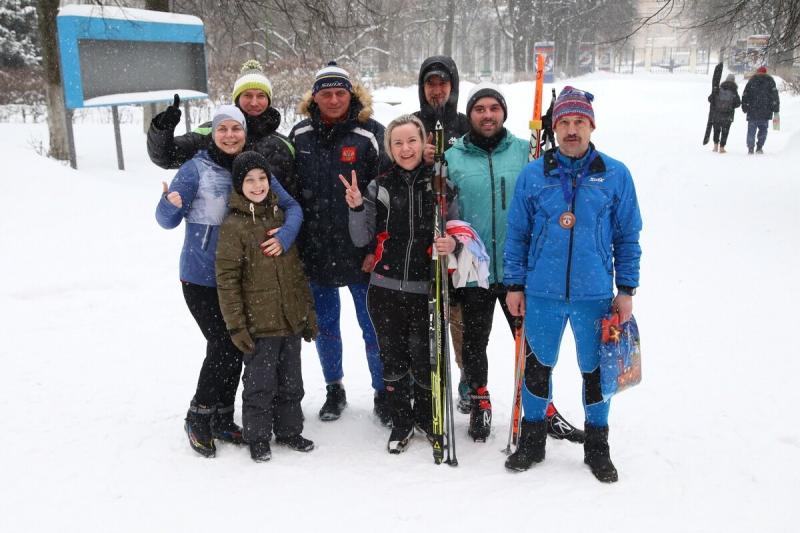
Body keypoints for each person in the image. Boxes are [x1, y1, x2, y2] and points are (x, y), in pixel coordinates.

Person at [503, 87, 642, 482]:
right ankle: (532, 442)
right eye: (563, 122)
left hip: (594, 295)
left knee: (596, 372)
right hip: (542, 293)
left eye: (579, 122)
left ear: (592, 125)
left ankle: (597, 446)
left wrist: (627, 289)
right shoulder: (534, 175)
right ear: (554, 128)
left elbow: (628, 236)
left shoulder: (615, 175)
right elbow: (517, 234)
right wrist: (515, 284)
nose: (571, 130)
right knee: (537, 368)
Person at [445, 82, 585, 443]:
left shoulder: (527, 152)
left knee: (532, 345)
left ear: (503, 113)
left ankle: (543, 408)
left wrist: (550, 147)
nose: (487, 115)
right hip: (473, 268)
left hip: (519, 270)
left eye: (494, 108)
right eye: (480, 109)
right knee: (474, 343)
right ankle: (480, 399)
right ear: (470, 115)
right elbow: (443, 207)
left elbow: (555, 188)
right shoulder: (453, 157)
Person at [156, 105, 291, 457]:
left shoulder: (251, 169)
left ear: (245, 132)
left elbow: (289, 206)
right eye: (223, 129)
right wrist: (168, 204)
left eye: (237, 128)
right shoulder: (195, 168)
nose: (230, 135)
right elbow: (166, 220)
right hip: (200, 277)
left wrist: (285, 233)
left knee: (236, 345)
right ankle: (198, 415)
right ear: (212, 133)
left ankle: (222, 416)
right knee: (223, 344)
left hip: (240, 278)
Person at [342, 114, 458, 453]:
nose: (405, 148)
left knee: (425, 359)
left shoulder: (439, 182)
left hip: (426, 289)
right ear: (389, 148)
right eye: (398, 142)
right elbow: (361, 236)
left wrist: (452, 244)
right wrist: (355, 206)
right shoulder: (379, 185)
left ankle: (424, 416)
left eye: (412, 141)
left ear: (424, 143)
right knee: (392, 359)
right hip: (385, 287)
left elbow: (457, 228)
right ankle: (401, 421)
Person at [290, 61, 390, 424]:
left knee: (373, 326)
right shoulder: (299, 134)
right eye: (325, 93)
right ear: (314, 97)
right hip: (315, 253)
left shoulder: (371, 134)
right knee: (325, 327)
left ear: (352, 94)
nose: (333, 100)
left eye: (340, 93)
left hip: (360, 254)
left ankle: (383, 391)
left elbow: (386, 197)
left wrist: (374, 249)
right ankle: (335, 388)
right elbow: (288, 192)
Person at [215, 151, 315, 462]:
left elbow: (296, 273)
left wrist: (306, 313)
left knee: (291, 381)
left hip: (289, 320)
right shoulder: (233, 225)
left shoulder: (280, 218)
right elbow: (227, 280)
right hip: (259, 324)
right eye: (249, 180)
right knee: (259, 384)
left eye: (262, 178)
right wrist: (236, 325)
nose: (257, 185)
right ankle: (257, 436)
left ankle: (289, 430)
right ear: (238, 184)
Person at [412, 56, 472, 414]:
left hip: (459, 230)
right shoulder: (413, 124)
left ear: (453, 86)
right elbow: (392, 161)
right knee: (427, 317)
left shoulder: (466, 125)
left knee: (460, 316)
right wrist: (420, 155)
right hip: (422, 232)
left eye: (443, 84)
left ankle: (467, 379)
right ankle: (427, 380)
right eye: (430, 84)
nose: (437, 90)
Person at [148, 59, 297, 197]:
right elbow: (166, 157)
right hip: (217, 224)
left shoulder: (282, 144)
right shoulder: (211, 133)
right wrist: (163, 127)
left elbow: (292, 198)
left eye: (261, 96)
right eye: (247, 95)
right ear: (237, 98)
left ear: (268, 100)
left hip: (268, 225)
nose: (254, 102)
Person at [741, 66, 780, 154]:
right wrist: (776, 108)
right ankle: (759, 147)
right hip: (765, 112)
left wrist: (744, 106)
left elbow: (745, 94)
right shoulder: (770, 81)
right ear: (766, 73)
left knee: (751, 131)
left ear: (757, 72)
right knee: (763, 130)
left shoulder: (751, 81)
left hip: (752, 111)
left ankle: (750, 148)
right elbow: (775, 96)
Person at [708, 73, 741, 154]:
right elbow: (738, 103)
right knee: (725, 131)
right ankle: (722, 147)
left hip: (717, 114)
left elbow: (710, 99)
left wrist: (717, 104)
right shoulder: (734, 91)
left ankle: (715, 146)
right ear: (734, 81)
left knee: (716, 130)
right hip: (728, 115)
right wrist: (731, 106)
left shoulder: (719, 89)